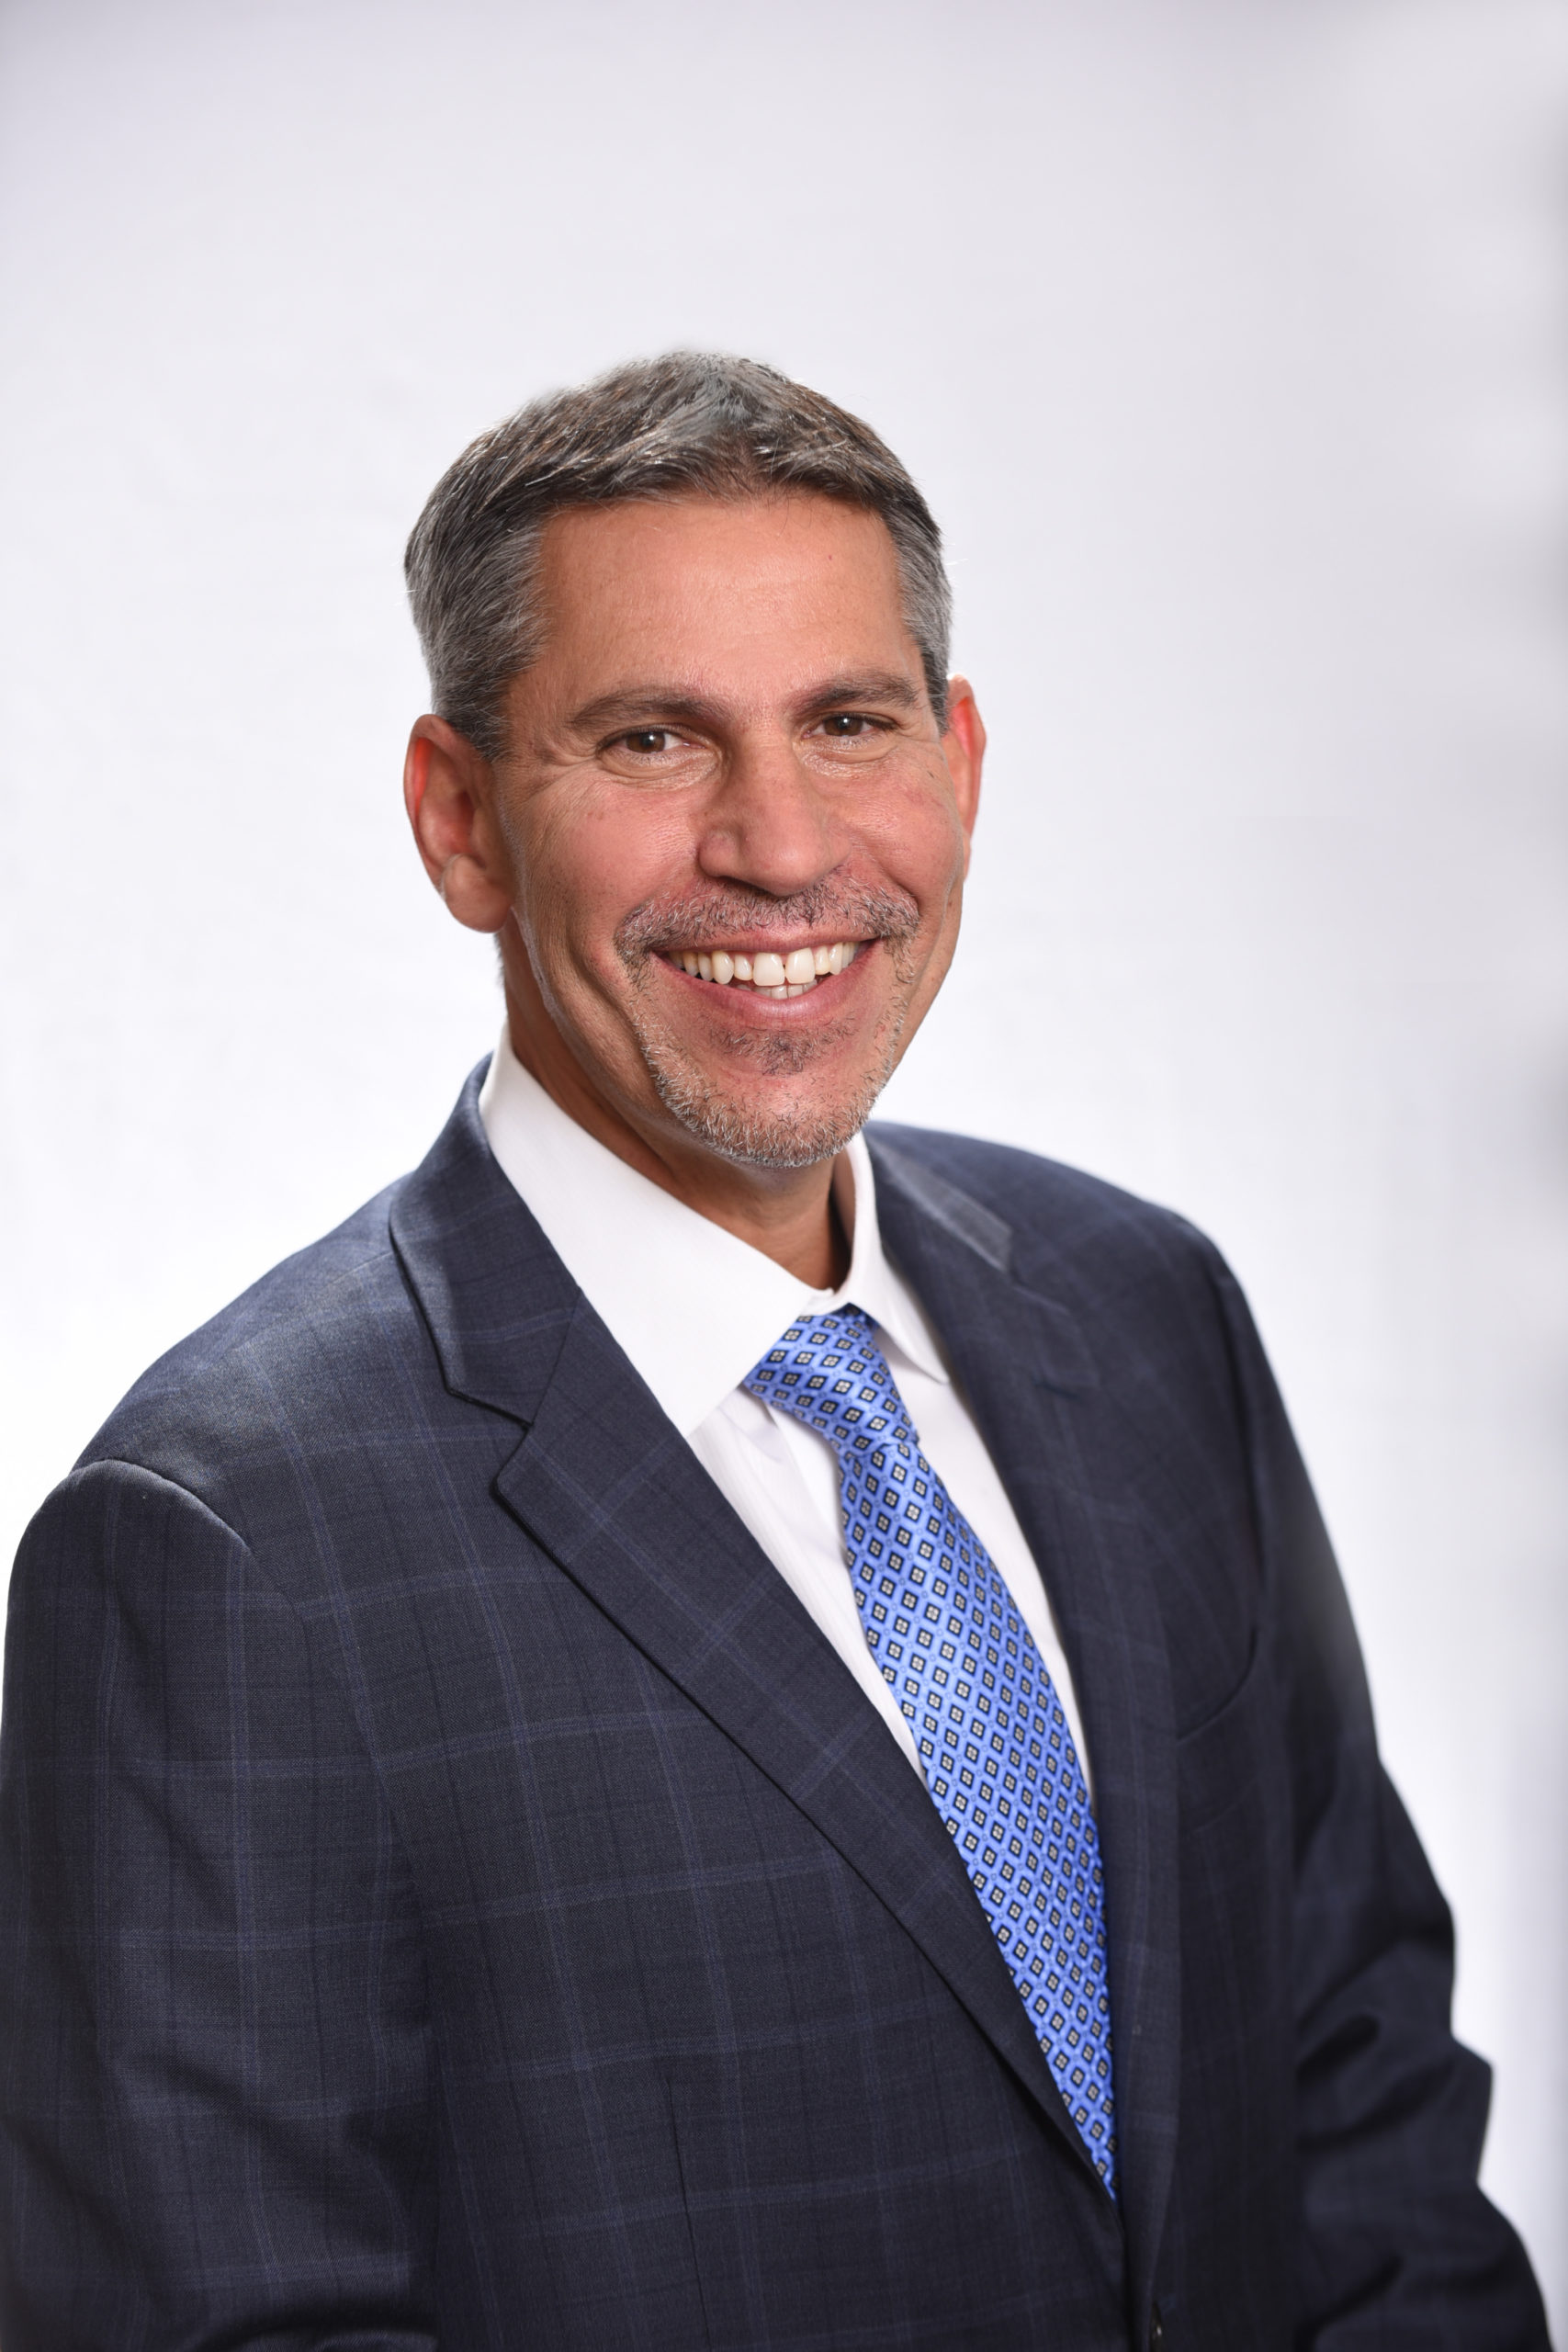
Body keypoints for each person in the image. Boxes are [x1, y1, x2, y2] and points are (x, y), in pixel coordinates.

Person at [0, 353, 1548, 2351]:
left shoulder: (1147, 1311)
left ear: (958, 760)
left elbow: (1361, 2110)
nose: (780, 843)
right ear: (460, 821)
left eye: (848, 721)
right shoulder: (223, 1545)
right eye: (652, 738)